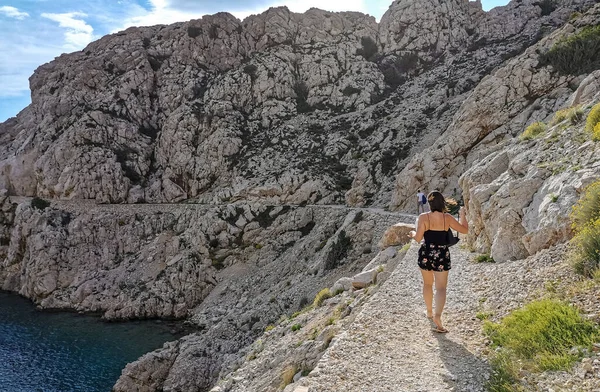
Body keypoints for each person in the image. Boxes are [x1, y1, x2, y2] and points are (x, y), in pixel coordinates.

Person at [409, 191, 468, 333]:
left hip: (426, 252)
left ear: (429, 203)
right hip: (441, 253)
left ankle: (429, 312)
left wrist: (411, 233)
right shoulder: (447, 217)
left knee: (428, 284)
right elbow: (464, 230)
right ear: (442, 202)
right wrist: (463, 215)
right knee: (441, 288)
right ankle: (438, 316)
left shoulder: (424, 217)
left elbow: (418, 238)